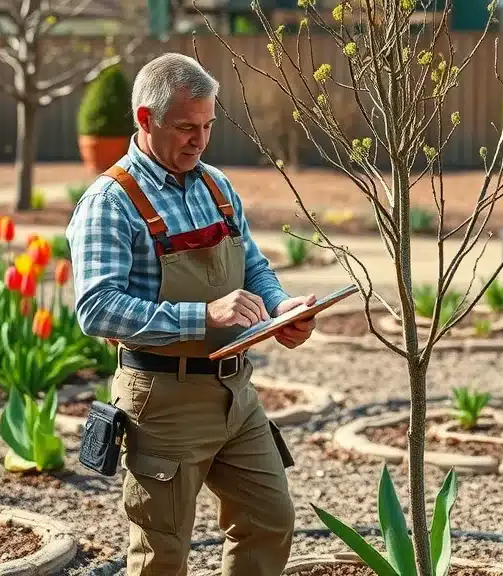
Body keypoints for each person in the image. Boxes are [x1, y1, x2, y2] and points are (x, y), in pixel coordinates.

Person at [65, 52, 316, 576]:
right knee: (162, 554)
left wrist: (279, 306)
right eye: (185, 128)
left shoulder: (217, 187)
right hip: (163, 402)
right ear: (144, 119)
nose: (199, 140)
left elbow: (253, 265)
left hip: (237, 396)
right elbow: (96, 309)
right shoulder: (109, 201)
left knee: (270, 520)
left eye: (206, 126)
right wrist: (202, 316)